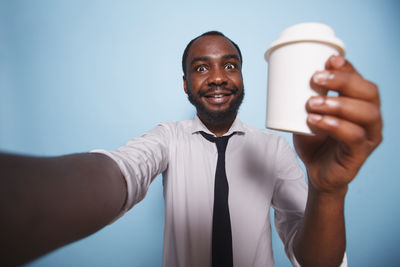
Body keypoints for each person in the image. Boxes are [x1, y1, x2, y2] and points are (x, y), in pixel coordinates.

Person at [0, 31, 382, 267]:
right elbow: (125, 170)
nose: (218, 77)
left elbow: (317, 262)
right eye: (201, 68)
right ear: (185, 84)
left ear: (242, 76)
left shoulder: (276, 149)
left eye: (229, 65)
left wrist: (329, 190)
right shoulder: (167, 137)